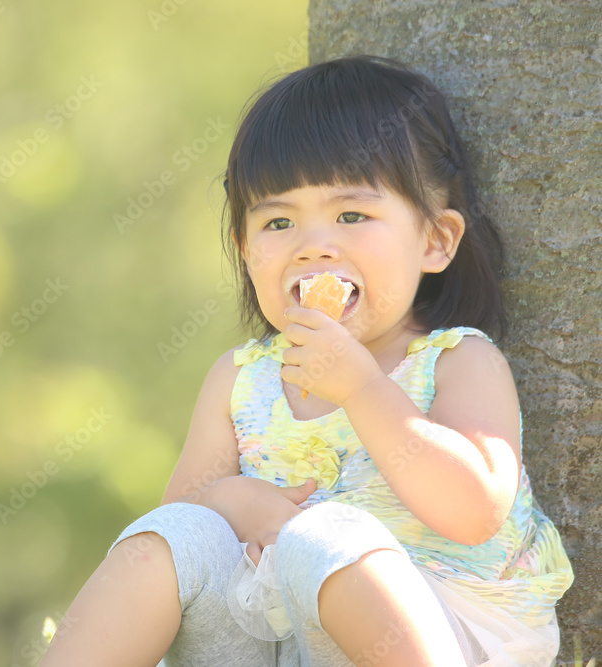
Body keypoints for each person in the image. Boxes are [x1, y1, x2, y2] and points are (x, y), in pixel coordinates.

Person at [40, 55, 574, 667]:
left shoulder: (457, 362)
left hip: (446, 625)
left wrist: (362, 388)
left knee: (324, 535)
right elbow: (182, 522)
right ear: (246, 251)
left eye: (352, 215)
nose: (313, 246)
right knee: (166, 538)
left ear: (435, 240)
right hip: (276, 634)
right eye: (278, 221)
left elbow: (475, 512)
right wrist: (239, 503)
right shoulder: (242, 380)